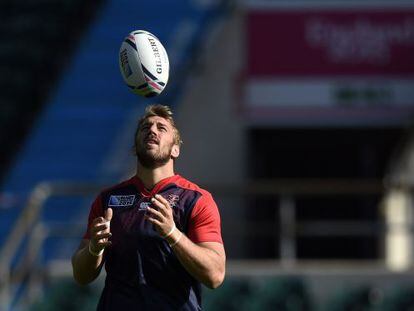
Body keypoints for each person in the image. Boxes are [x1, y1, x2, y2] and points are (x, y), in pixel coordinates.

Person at [71, 104, 226, 310]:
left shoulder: (196, 199)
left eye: (161, 128)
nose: (152, 130)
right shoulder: (108, 199)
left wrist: (173, 234)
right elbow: (81, 276)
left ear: (175, 149)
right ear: (135, 147)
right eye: (145, 128)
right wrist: (94, 249)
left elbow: (215, 275)